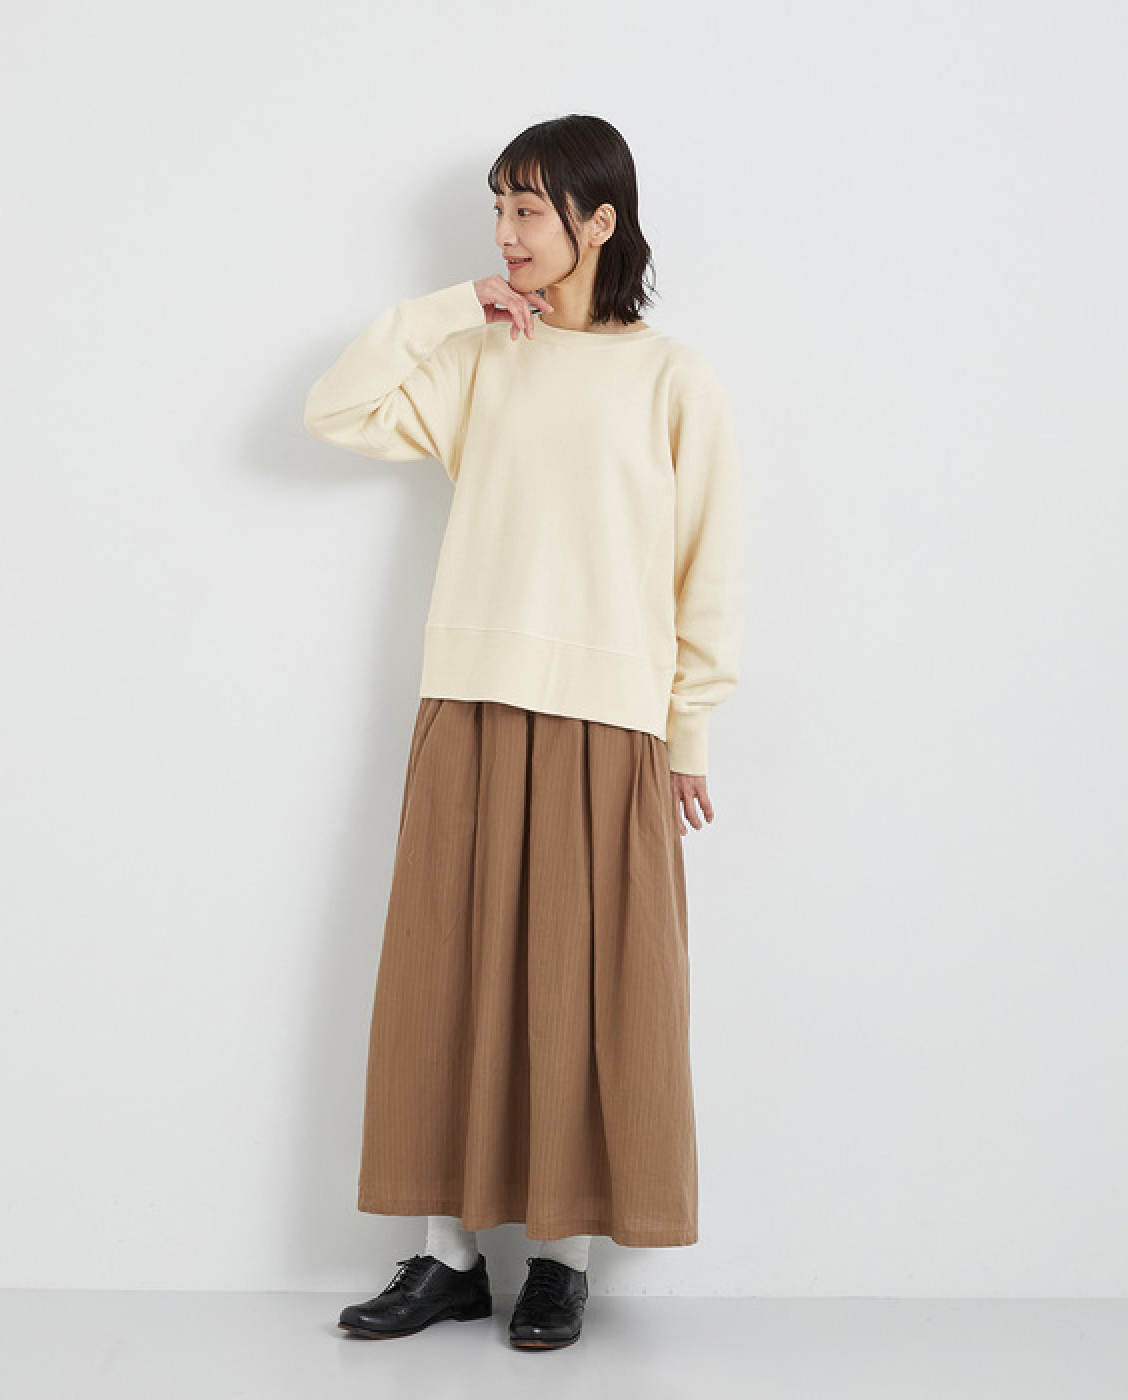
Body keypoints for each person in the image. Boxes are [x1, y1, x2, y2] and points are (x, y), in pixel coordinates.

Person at [303, 114, 744, 1351]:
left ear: (599, 221)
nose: (505, 231)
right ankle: (446, 1259)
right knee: (445, 971)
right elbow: (336, 409)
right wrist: (455, 306)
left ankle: (560, 1258)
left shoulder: (673, 378)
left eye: (528, 209)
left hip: (610, 716)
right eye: (497, 207)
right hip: (472, 695)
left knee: (581, 986)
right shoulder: (481, 354)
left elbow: (709, 567)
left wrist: (690, 729)